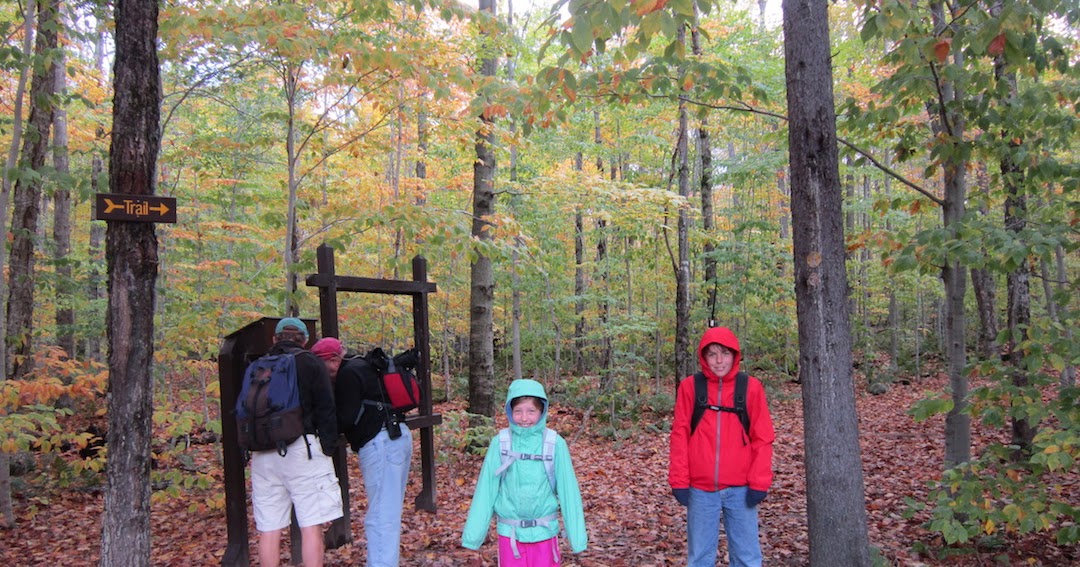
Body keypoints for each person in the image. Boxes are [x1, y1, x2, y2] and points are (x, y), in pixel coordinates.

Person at [668, 326, 775, 567]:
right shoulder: (689, 387)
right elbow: (680, 436)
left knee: (747, 557)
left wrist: (759, 482)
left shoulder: (751, 387)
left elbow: (763, 438)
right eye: (712, 354)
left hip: (741, 489)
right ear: (703, 357)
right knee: (700, 558)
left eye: (725, 353)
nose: (719, 361)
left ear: (735, 355)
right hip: (700, 489)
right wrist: (679, 481)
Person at [461, 378, 588, 566]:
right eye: (518, 411)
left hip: (545, 533)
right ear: (510, 412)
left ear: (542, 411)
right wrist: (473, 536)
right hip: (510, 534)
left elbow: (569, 492)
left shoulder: (554, 444)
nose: (524, 418)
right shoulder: (501, 443)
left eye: (531, 411)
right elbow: (485, 490)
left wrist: (577, 539)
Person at [251, 318, 342, 567]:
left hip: (263, 454)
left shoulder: (258, 365)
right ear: (304, 340)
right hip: (302, 450)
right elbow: (326, 408)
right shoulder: (310, 362)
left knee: (269, 529)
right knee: (311, 525)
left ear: (274, 339)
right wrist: (328, 447)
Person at [327, 341, 413, 567]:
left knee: (381, 517)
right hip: (398, 437)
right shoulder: (365, 366)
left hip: (381, 445)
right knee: (387, 512)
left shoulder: (348, 374)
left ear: (333, 359)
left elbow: (345, 417)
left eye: (325, 365)